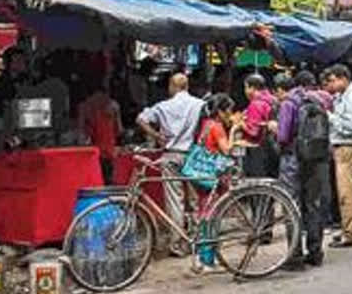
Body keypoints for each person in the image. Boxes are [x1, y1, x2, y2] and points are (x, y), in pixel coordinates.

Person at [137, 73, 205, 256]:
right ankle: (198, 240)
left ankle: (178, 244)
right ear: (187, 86)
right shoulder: (199, 104)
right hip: (192, 155)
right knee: (194, 199)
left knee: (175, 201)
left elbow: (141, 119)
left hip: (171, 155)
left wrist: (157, 135)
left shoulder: (162, 106)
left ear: (172, 87)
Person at [276, 71, 328, 269]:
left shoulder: (288, 104)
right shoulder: (316, 100)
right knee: (313, 205)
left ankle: (295, 256)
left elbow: (282, 136)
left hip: (292, 160)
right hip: (315, 160)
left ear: (281, 89)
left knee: (292, 206)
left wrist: (274, 128)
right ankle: (315, 252)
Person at [324, 65, 352, 248]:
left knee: (347, 192)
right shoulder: (342, 96)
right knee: (344, 190)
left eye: (333, 80)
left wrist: (331, 118)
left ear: (343, 78)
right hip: (342, 146)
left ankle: (350, 234)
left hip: (348, 147)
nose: (331, 84)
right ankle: (346, 229)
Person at [192, 93, 235, 274]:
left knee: (204, 215)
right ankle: (207, 261)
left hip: (200, 176)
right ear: (220, 111)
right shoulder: (217, 127)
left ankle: (201, 259)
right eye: (229, 111)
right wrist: (234, 130)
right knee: (211, 217)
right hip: (213, 178)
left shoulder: (205, 124)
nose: (230, 114)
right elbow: (226, 149)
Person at [78, 84, 123, 184]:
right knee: (110, 179)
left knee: (96, 178)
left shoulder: (85, 106)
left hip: (93, 149)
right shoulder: (113, 105)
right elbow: (119, 129)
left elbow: (81, 130)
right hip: (109, 147)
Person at [238, 74, 279, 178]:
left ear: (252, 87)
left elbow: (253, 131)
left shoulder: (256, 104)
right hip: (274, 147)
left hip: (259, 150)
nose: (245, 91)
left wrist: (241, 123)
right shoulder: (273, 100)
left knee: (257, 182)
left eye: (246, 87)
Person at [0, 48, 31, 114]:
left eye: (24, 60)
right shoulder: (3, 83)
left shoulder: (25, 78)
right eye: (19, 60)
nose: (23, 63)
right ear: (9, 64)